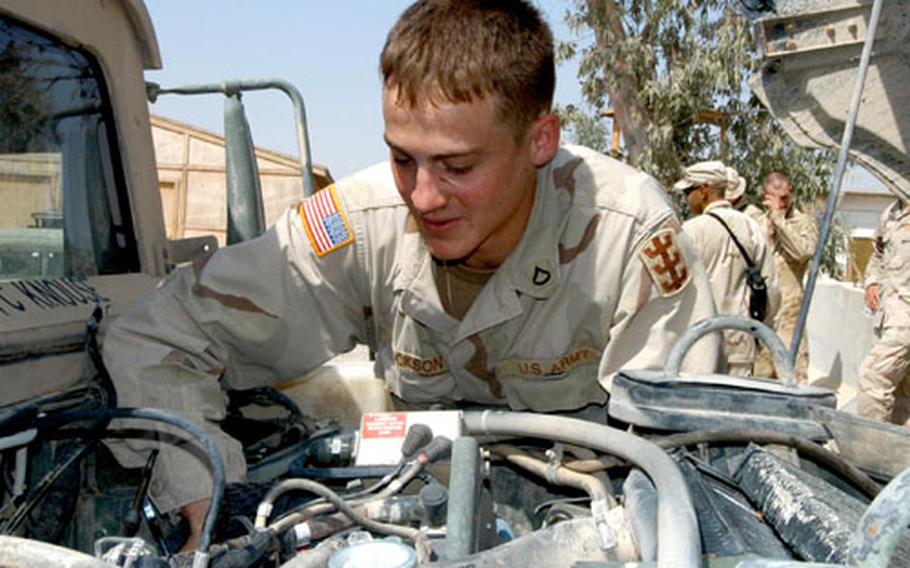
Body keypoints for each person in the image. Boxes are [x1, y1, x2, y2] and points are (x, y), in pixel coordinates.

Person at [102, 0, 719, 549]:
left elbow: (681, 459)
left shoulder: (627, 231)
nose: (422, 197)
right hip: (409, 516)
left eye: (456, 165)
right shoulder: (360, 220)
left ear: (540, 141)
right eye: (403, 158)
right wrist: (211, 509)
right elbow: (155, 337)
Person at [675, 161, 779, 376]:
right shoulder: (751, 227)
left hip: (698, 345)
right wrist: (759, 332)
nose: (686, 198)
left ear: (703, 190)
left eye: (688, 191)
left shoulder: (692, 230)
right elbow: (771, 289)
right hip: (741, 342)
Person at [749, 171, 818, 382]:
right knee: (760, 374)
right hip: (762, 310)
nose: (781, 203)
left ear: (791, 193)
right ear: (765, 196)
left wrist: (780, 222)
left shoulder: (803, 223)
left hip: (790, 311)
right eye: (774, 197)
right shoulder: (755, 223)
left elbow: (804, 251)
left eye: (785, 197)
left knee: (792, 373)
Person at [858, 197, 910, 425]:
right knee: (902, 393)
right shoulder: (891, 212)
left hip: (905, 321)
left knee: (873, 377)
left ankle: (870, 452)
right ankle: (897, 454)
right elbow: (878, 255)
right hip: (889, 315)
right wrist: (871, 282)